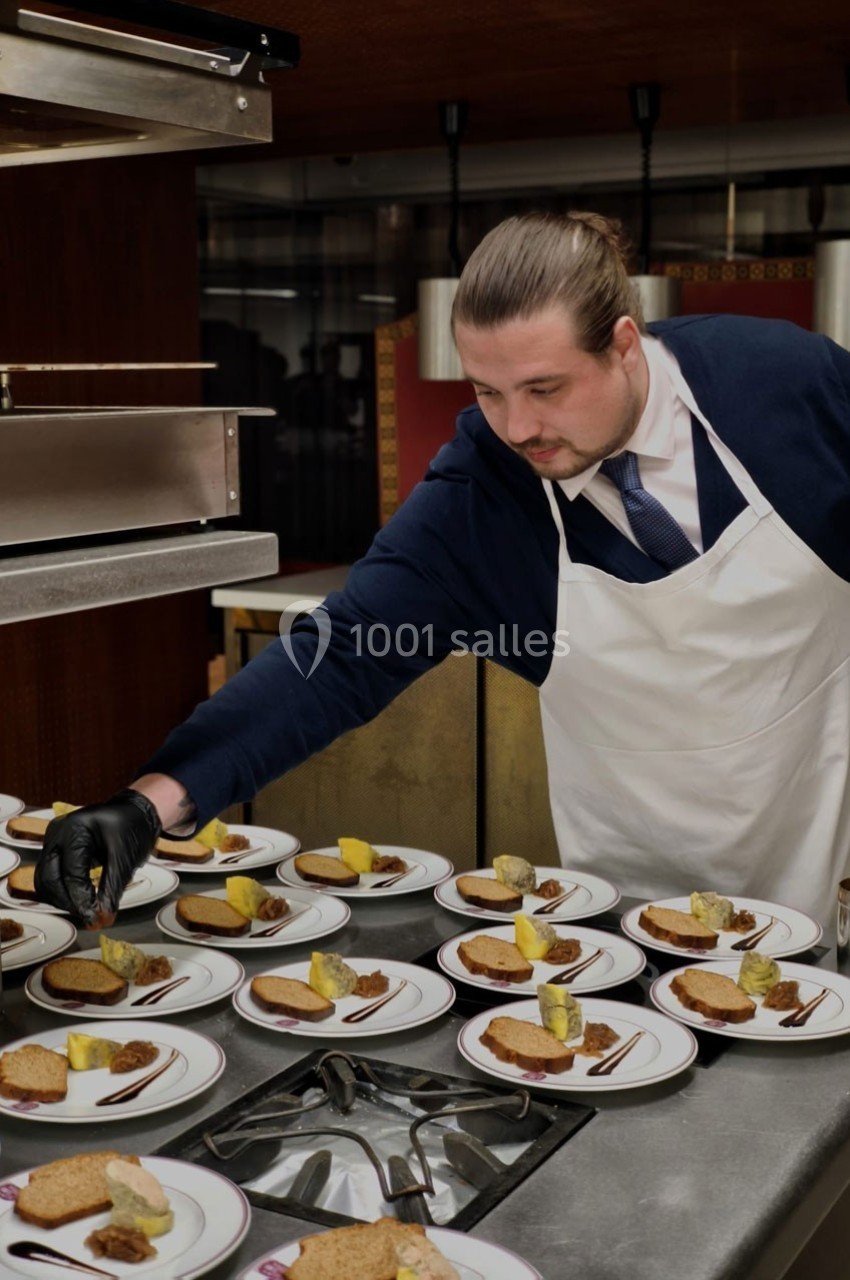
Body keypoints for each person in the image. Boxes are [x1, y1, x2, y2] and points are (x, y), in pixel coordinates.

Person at [36, 211, 850, 928]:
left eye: (545, 386)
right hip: (626, 906)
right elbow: (344, 650)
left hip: (826, 860)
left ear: (625, 345)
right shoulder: (484, 488)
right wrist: (154, 801)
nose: (519, 425)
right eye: (488, 391)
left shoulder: (784, 387)